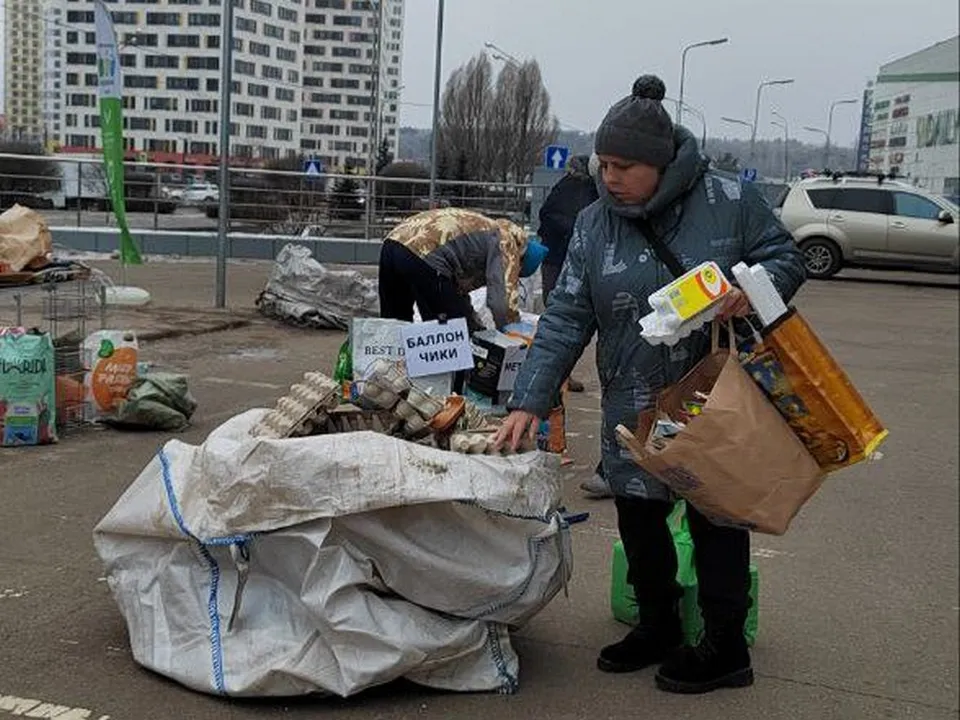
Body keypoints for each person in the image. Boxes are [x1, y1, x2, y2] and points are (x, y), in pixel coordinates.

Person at [493, 75, 806, 694]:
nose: (610, 177)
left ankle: (724, 647)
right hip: (632, 397)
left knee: (718, 517)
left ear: (662, 163)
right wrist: (530, 398)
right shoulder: (592, 223)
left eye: (624, 166)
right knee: (638, 515)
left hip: (716, 396)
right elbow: (565, 316)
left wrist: (752, 289)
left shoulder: (727, 200)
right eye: (603, 163)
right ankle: (658, 622)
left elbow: (786, 255)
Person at [538, 154, 614, 498]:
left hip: (567, 264)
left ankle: (616, 468)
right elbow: (562, 325)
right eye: (608, 169)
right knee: (561, 326)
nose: (613, 179)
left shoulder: (588, 199)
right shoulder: (585, 203)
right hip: (566, 264)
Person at [378, 207, 548, 332]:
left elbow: (456, 293)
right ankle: (446, 378)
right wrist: (513, 336)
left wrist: (476, 327)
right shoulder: (507, 243)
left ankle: (388, 373)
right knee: (448, 330)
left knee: (395, 322)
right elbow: (501, 302)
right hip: (424, 251)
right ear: (520, 261)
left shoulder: (484, 232)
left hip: (393, 243)